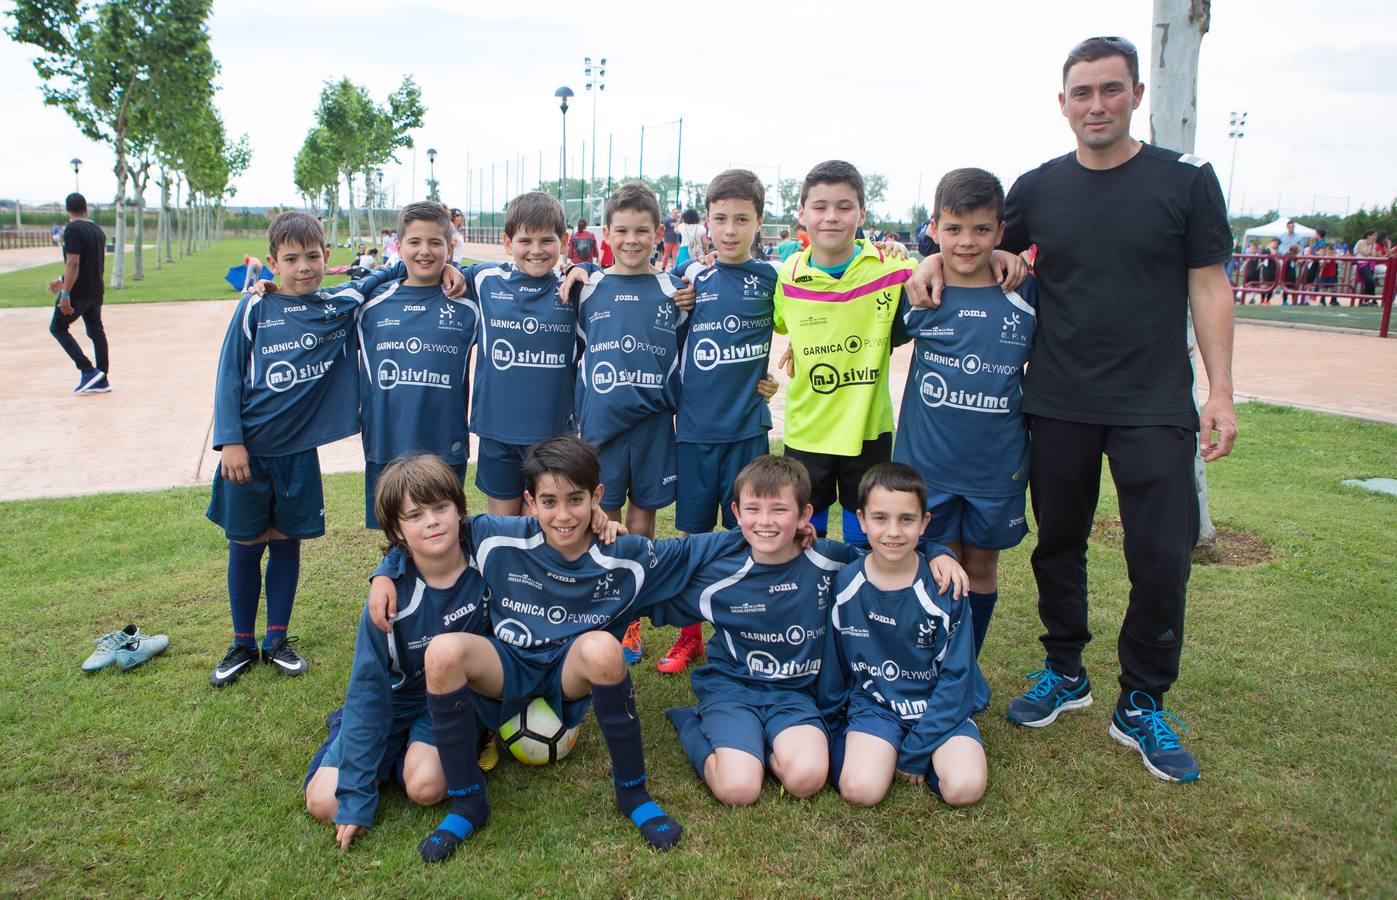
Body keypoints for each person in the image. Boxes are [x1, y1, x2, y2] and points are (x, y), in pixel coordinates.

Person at [908, 35, 1237, 783]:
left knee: (1159, 553)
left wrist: (1217, 391)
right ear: (1063, 104)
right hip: (1054, 398)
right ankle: (1064, 670)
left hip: (1152, 399)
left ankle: (1143, 699)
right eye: (1081, 93)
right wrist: (929, 258)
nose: (1096, 105)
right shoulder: (1038, 187)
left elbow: (1208, 285)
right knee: (1058, 543)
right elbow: (977, 247)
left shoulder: (1183, 181)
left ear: (1135, 96)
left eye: (1110, 90)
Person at [369, 435, 734, 861]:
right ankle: (469, 803)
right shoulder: (494, 536)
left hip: (568, 672)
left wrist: (770, 530)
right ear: (529, 501)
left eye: (576, 500)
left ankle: (633, 795)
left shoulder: (624, 555)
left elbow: (698, 550)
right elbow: (427, 532)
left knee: (603, 648)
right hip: (507, 664)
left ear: (597, 497)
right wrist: (384, 571)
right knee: (442, 653)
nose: (563, 515)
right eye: (548, 501)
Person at [206, 212, 368, 687]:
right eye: (291, 259)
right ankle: (241, 641)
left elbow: (381, 276)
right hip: (248, 455)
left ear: (326, 258)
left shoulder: (336, 304)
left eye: (313, 256)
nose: (304, 267)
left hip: (298, 454)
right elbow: (229, 374)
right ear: (273, 262)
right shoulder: (254, 308)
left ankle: (276, 639)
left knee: (285, 543)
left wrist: (443, 269)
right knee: (245, 545)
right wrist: (231, 440)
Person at [303, 454, 489, 852]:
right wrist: (355, 800)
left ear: (460, 510)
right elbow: (369, 691)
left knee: (425, 787)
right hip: (394, 702)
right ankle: (356, 740)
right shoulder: (388, 602)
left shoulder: (488, 558)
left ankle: (422, 752)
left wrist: (599, 518)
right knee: (324, 802)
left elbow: (543, 529)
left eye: (441, 508)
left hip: (448, 702)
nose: (433, 521)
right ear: (397, 532)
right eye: (416, 515)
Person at [893, 168, 1037, 658]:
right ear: (934, 228)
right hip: (928, 467)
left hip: (996, 467)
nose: (967, 241)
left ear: (1001, 231)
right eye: (953, 229)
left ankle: (965, 668)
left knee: (980, 570)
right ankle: (934, 665)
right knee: (937, 565)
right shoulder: (919, 293)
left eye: (981, 230)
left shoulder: (1023, 290)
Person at [660, 456, 861, 804]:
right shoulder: (719, 572)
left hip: (794, 695)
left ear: (804, 515)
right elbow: (652, 583)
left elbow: (889, 566)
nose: (765, 522)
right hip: (733, 688)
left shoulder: (829, 560)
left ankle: (758, 746)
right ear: (737, 513)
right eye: (753, 509)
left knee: (807, 780)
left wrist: (935, 554)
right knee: (738, 790)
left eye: (780, 510)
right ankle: (691, 722)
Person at [660, 169, 780, 675]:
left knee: (747, 535)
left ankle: (738, 633)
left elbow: (808, 320)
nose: (730, 230)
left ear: (758, 223)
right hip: (693, 432)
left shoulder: (774, 279)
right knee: (691, 537)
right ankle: (691, 637)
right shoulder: (689, 279)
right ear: (705, 223)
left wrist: (774, 372)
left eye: (742, 219)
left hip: (747, 431)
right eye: (721, 219)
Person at [824, 464, 985, 808]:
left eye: (907, 520)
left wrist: (915, 751)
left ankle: (929, 755)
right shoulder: (844, 584)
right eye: (880, 518)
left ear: (925, 523)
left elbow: (958, 677)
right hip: (877, 707)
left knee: (965, 788)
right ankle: (874, 751)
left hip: (937, 707)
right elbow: (835, 665)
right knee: (861, 791)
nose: (893, 532)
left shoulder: (946, 586)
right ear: (861, 520)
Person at [575, 182, 687, 664]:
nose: (632, 239)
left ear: (658, 233)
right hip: (601, 430)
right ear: (606, 233)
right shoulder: (586, 288)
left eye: (642, 230)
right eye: (622, 230)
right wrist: (576, 268)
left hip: (654, 426)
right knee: (605, 519)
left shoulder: (677, 290)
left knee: (643, 520)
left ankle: (632, 621)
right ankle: (604, 612)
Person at [354, 202, 480, 529]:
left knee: (442, 534)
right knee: (394, 536)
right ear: (398, 246)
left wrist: (456, 270)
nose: (424, 251)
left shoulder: (468, 303)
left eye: (435, 243)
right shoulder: (371, 304)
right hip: (387, 442)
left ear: (450, 247)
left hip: (444, 445)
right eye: (414, 242)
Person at [46, 192, 109, 394]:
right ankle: (102, 378)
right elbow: (91, 262)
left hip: (78, 293)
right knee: (96, 332)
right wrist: (62, 279)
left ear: (67, 210)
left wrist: (65, 293)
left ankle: (88, 370)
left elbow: (74, 262)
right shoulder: (98, 231)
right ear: (86, 208)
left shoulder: (72, 229)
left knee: (57, 327)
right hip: (95, 290)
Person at [661, 206, 682, 270]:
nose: (676, 214)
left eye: (677, 213)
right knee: (666, 256)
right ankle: (663, 268)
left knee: (675, 256)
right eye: (675, 213)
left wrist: (680, 217)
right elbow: (663, 229)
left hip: (676, 241)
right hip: (668, 241)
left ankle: (673, 268)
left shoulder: (679, 221)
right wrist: (663, 237)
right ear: (671, 213)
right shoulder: (667, 221)